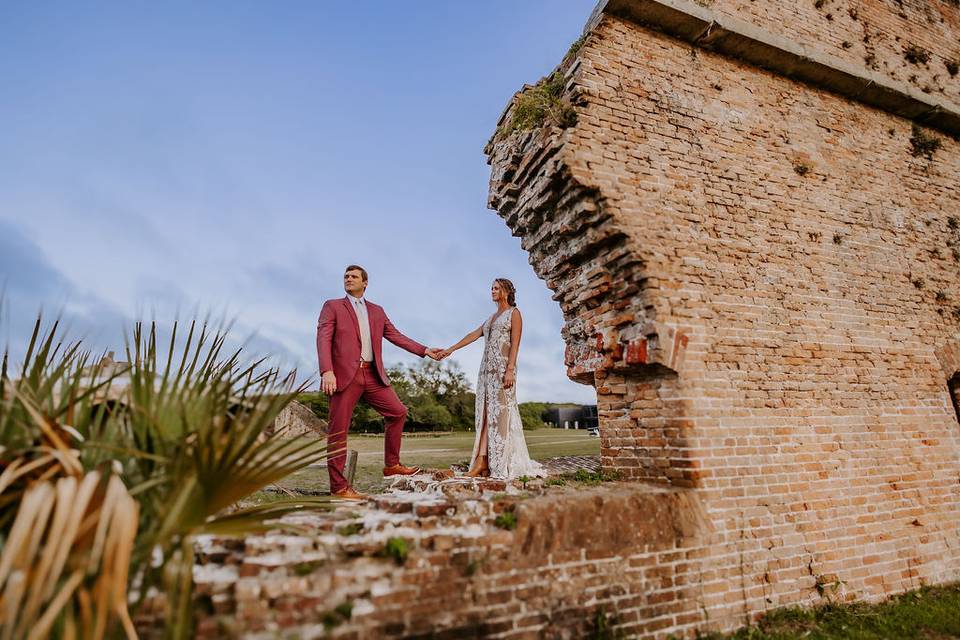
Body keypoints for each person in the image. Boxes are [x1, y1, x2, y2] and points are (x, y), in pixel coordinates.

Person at [316, 265, 443, 500]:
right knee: (337, 432)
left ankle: (391, 465)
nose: (348, 279)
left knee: (398, 412)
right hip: (344, 377)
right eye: (346, 276)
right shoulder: (332, 306)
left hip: (372, 375)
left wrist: (425, 350)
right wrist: (327, 371)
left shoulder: (377, 311)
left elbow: (395, 335)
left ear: (365, 283)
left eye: (354, 276)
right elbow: (323, 338)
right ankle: (339, 488)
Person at [439, 278, 545, 480]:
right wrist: (451, 349)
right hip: (486, 372)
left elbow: (515, 343)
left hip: (504, 369)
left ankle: (495, 461)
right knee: (486, 413)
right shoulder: (491, 318)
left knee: (502, 414)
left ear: (505, 291)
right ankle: (482, 460)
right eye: (491, 288)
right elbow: (473, 334)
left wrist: (511, 369)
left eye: (496, 288)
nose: (492, 291)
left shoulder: (514, 314)